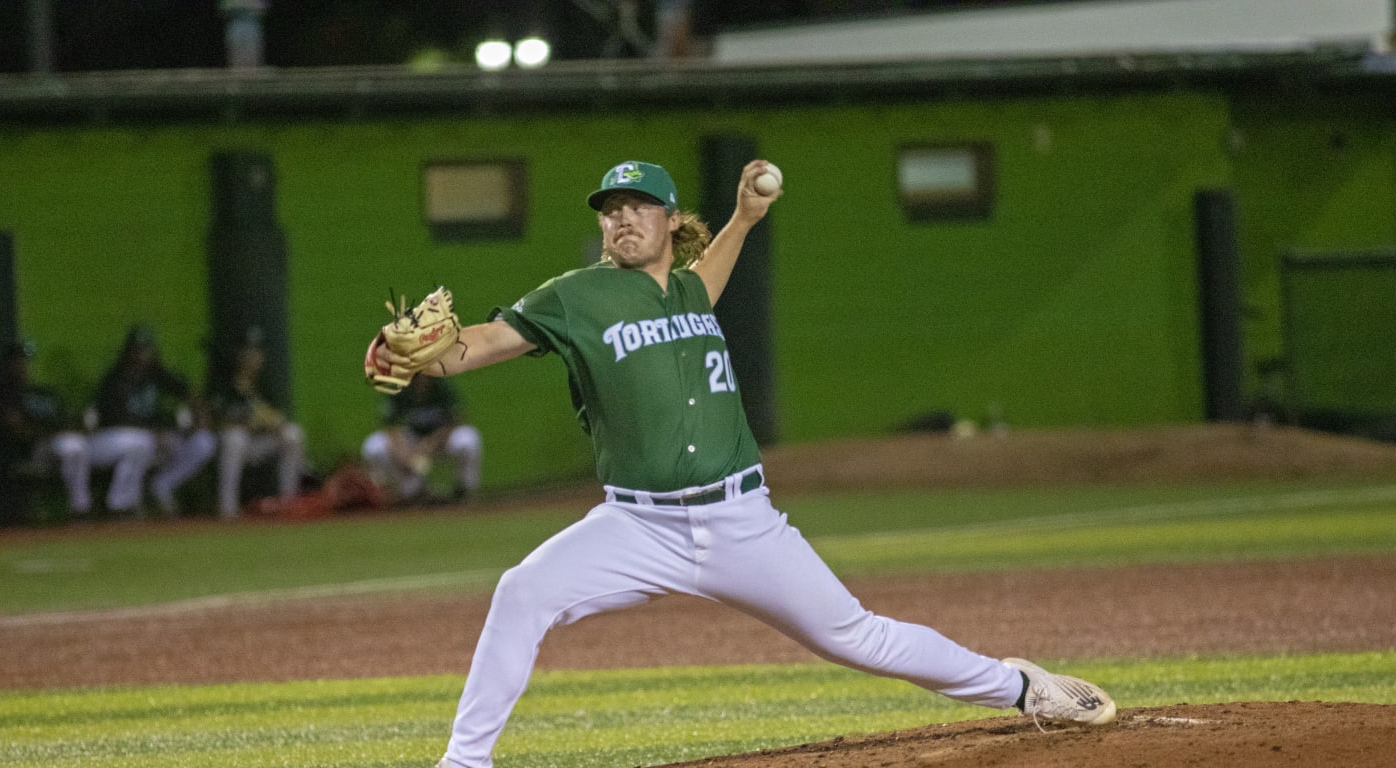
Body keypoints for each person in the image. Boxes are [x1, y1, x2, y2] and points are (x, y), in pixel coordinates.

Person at [367, 160, 1117, 768]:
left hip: (742, 521)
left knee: (855, 636)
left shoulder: (690, 287)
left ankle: (1023, 687)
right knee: (522, 591)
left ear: (666, 220)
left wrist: (745, 218)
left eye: (636, 207)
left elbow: (710, 273)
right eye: (609, 208)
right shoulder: (576, 297)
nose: (620, 218)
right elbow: (473, 347)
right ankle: (464, 763)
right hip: (637, 525)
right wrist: (421, 356)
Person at [0, 340, 154, 521]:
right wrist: (52, 432)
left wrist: (79, 426)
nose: (24, 365)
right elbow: (16, 428)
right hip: (40, 447)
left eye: (26, 360)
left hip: (71, 441)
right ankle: (79, 509)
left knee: (140, 441)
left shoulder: (43, 392)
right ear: (9, 363)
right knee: (72, 446)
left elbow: (64, 418)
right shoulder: (6, 392)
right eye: (19, 360)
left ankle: (121, 506)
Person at [92, 323, 214, 517]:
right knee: (141, 441)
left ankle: (163, 484)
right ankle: (122, 506)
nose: (141, 355)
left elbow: (188, 392)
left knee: (204, 442)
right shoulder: (114, 379)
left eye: (145, 349)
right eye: (137, 349)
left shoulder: (156, 373)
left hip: (155, 438)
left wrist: (199, 415)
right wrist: (153, 433)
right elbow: (114, 419)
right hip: (118, 438)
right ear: (127, 351)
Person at [208, 329, 305, 520]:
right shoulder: (224, 381)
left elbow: (277, 417)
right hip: (230, 443)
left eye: (257, 352)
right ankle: (228, 510)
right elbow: (219, 420)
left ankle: (288, 503)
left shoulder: (264, 383)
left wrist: (271, 425)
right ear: (239, 354)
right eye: (249, 351)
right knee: (235, 440)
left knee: (294, 435)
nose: (254, 357)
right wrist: (252, 424)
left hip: (259, 441)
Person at [361, 373, 481, 505]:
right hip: (411, 440)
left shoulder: (441, 387)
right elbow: (390, 427)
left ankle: (465, 490)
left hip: (441, 440)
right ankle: (405, 492)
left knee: (468, 439)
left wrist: (430, 444)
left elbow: (456, 422)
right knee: (374, 446)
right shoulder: (399, 389)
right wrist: (405, 454)